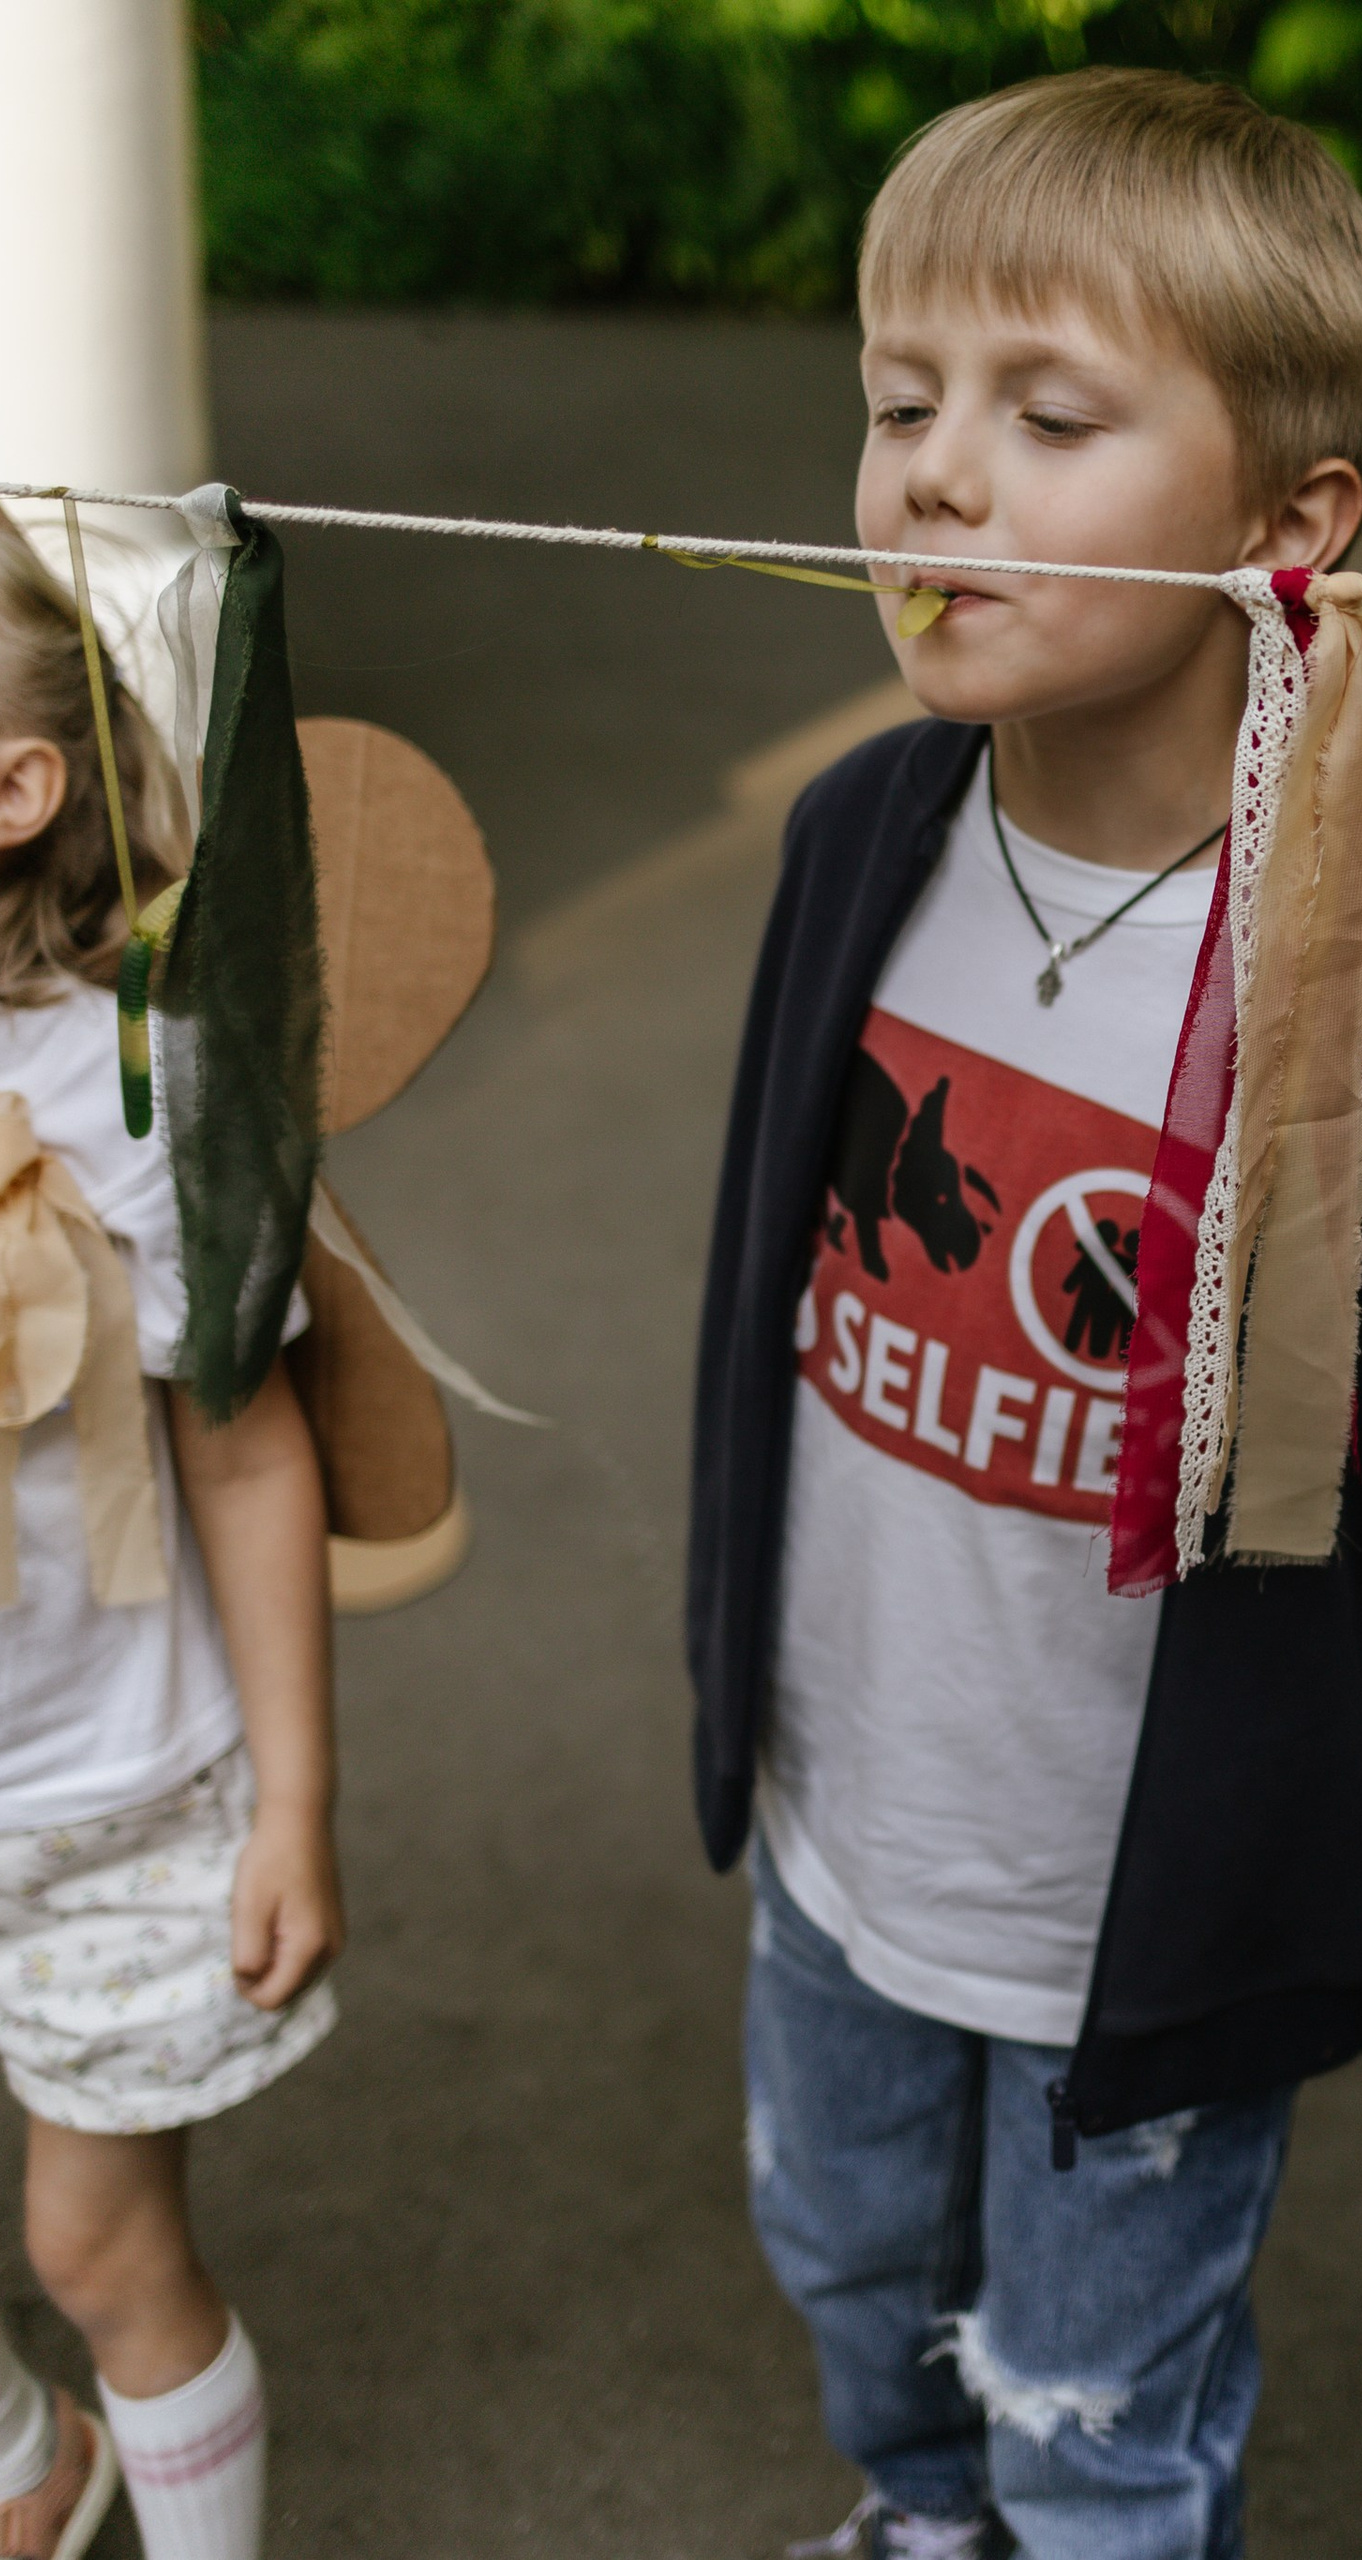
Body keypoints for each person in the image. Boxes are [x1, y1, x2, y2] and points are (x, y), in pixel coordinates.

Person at [687, 66, 1362, 2560]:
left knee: (1099, 2403)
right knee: (851, 2261)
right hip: (844, 1801)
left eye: (1045, 414)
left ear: (1285, 524)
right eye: (899, 400)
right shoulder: (857, 833)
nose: (930, 476)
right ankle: (921, 2518)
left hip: (1146, 1886)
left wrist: (1305, 1642)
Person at [0, 516, 341, 2560]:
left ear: (14, 787)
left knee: (97, 2243)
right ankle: (26, 2466)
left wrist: (293, 1801)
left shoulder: (135, 1074)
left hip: (110, 1796)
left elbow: (244, 1448)